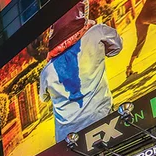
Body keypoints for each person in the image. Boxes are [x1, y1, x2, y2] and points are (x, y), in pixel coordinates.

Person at [39, 0, 123, 143]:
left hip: (68, 142)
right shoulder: (97, 33)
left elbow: (44, 98)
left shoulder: (46, 72)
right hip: (103, 125)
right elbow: (117, 47)